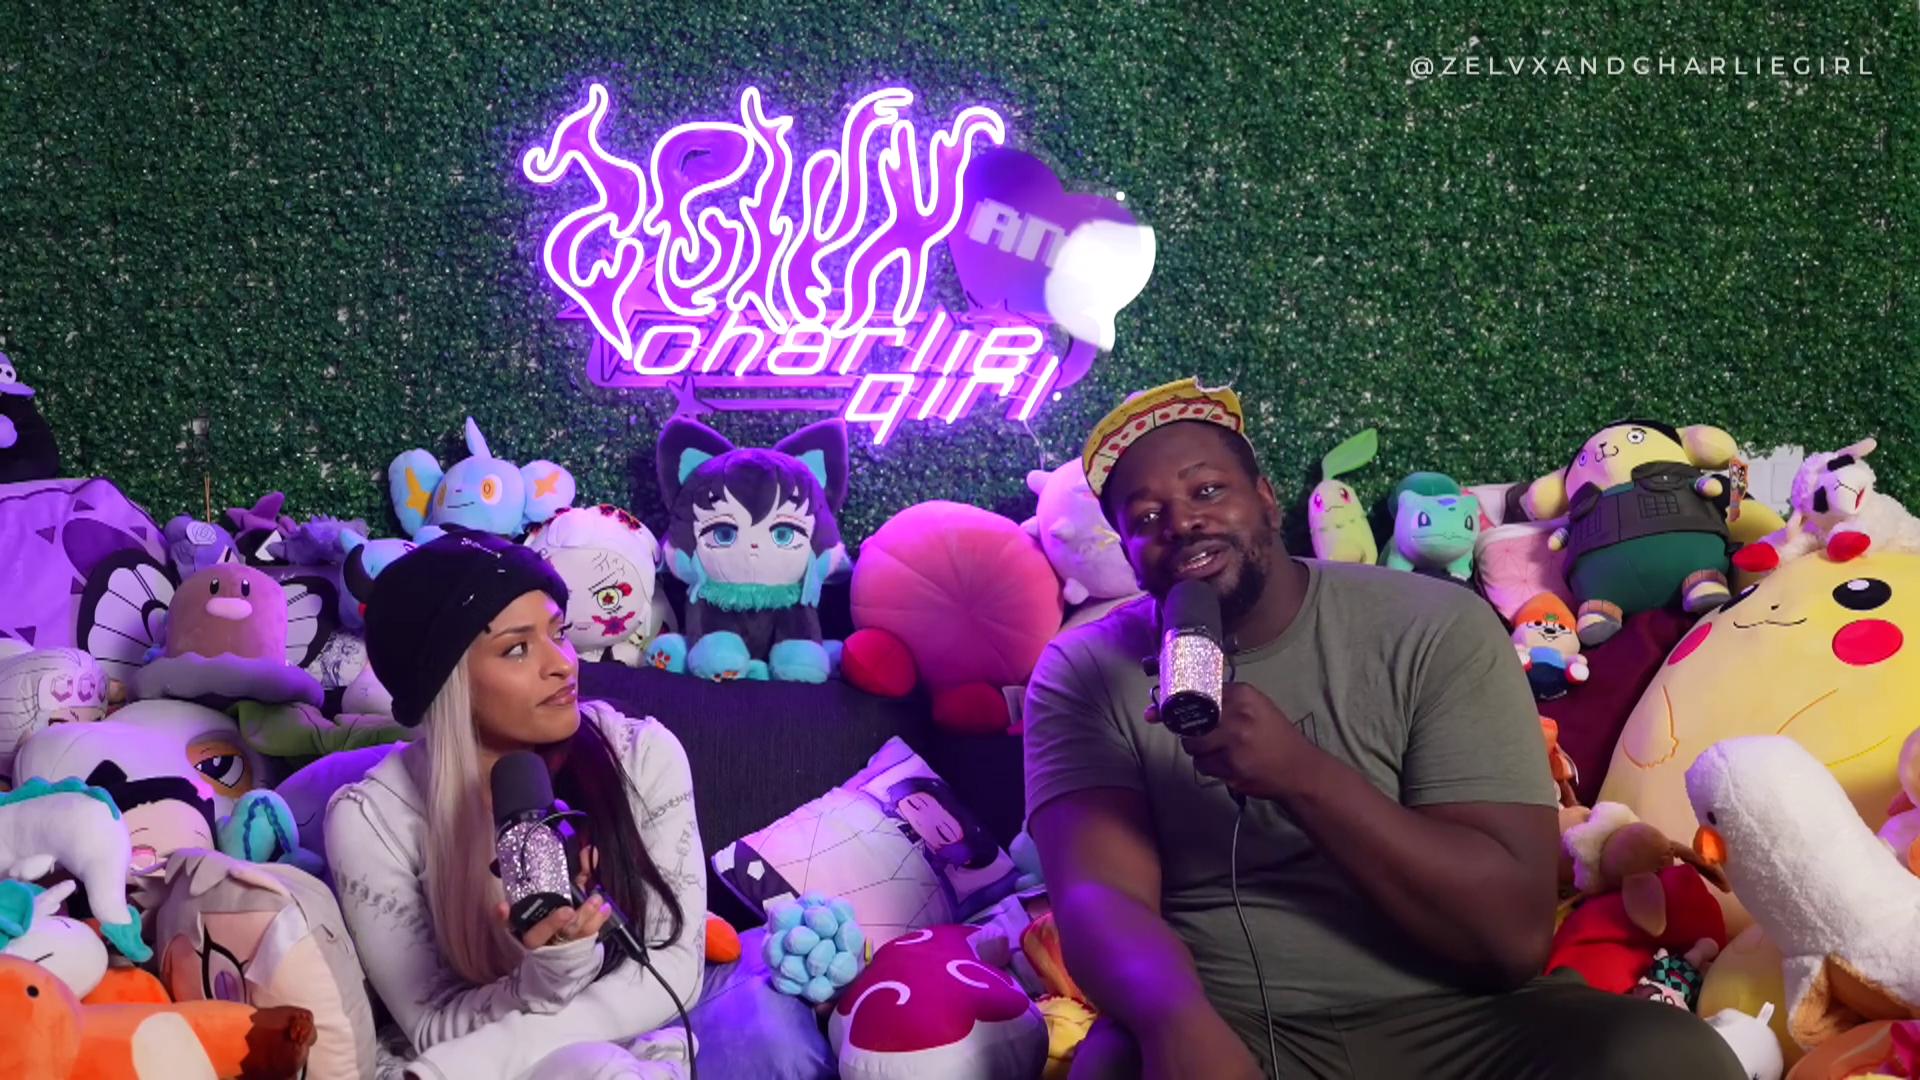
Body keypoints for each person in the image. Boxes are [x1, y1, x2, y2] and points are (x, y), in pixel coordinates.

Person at [1024, 379, 1747, 1080]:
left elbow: (1510, 938)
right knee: (1116, 1063)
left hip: (1461, 1020)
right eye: (1147, 516)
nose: (1182, 522)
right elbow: (1101, 899)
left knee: (1670, 1058)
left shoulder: (1435, 626)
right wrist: (1177, 1027)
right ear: (1127, 552)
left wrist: (1301, 775)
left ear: (1267, 499)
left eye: (1208, 490)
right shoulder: (1084, 671)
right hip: (1227, 1022)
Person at [326, 530, 829, 1080]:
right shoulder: (370, 819)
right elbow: (430, 1025)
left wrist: (485, 1054)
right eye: (517, 648)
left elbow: (673, 966)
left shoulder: (641, 754)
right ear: (445, 683)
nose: (564, 665)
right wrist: (549, 974)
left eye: (558, 633)